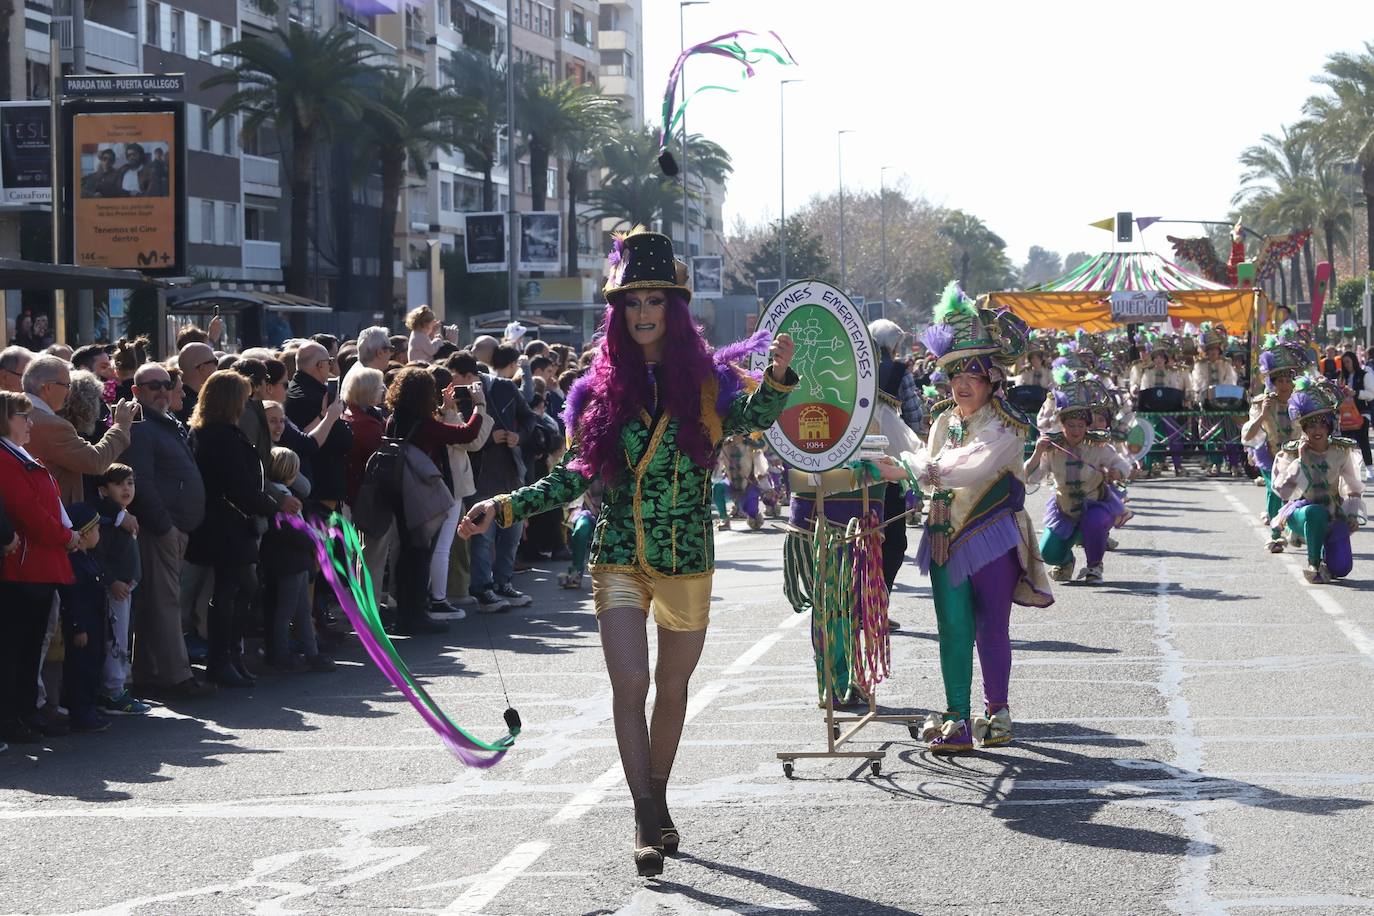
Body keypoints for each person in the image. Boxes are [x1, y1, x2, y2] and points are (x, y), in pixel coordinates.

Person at [459, 228, 798, 877]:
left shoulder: (706, 382)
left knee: (672, 689)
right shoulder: (598, 389)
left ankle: (659, 795)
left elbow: (753, 422)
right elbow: (576, 476)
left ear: (673, 308)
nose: (643, 313)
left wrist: (779, 379)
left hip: (687, 555)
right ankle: (645, 813)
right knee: (631, 684)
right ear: (619, 312)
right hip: (616, 551)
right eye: (632, 302)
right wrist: (501, 507)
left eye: (655, 301)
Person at [894, 283, 1053, 755]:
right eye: (955, 374)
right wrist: (887, 461)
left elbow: (965, 468)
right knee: (952, 630)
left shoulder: (1007, 429)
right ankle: (957, 719)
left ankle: (997, 713)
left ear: (992, 381)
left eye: (973, 375)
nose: (962, 384)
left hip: (992, 537)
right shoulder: (944, 421)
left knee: (990, 629)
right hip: (944, 536)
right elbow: (925, 461)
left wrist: (907, 465)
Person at [122, 363, 214, 699]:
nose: (161, 390)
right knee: (165, 601)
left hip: (173, 527)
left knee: (154, 603)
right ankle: (177, 677)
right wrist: (164, 526)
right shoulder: (143, 427)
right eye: (152, 386)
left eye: (166, 383)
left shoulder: (166, 423)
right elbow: (140, 480)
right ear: (136, 392)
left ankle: (148, 674)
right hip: (160, 529)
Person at [186, 370, 280, 687]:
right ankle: (222, 659)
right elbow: (238, 485)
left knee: (237, 589)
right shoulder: (222, 437)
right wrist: (269, 504)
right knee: (232, 590)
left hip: (226, 522)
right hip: (227, 524)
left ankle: (228, 656)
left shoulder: (208, 432)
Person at [0, 391, 78, 744]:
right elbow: (25, 510)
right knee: (17, 647)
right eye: (22, 416)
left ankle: (26, 713)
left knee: (31, 647)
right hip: (24, 564)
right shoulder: (4, 458)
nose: (29, 423)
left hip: (40, 561)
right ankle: (13, 717)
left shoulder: (18, 454)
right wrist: (65, 535)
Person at [384, 365, 486, 632]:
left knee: (404, 555)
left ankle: (405, 615)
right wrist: (479, 406)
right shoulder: (426, 425)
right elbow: (467, 434)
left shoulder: (394, 419)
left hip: (398, 491)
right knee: (420, 555)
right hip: (421, 494)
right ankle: (416, 616)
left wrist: (444, 408)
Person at [1025, 369, 1133, 584]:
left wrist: (1117, 472)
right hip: (1064, 510)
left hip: (1093, 506)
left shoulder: (1098, 446)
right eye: (1070, 425)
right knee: (1047, 554)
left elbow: (1122, 464)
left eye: (1081, 426)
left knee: (1096, 521)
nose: (1076, 430)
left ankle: (1094, 566)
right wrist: (1037, 452)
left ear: (1087, 426)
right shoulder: (1052, 448)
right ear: (1062, 425)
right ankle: (1065, 561)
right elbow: (1030, 478)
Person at [1272, 378, 1366, 583]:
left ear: (1329, 426)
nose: (1316, 430)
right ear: (1304, 429)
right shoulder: (1292, 453)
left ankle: (1327, 560)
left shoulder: (1341, 452)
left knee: (1341, 568)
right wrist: (1300, 461)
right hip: (1302, 512)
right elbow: (1284, 493)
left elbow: (1353, 486)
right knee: (1315, 513)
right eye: (1310, 425)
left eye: (1321, 424)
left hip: (1333, 511)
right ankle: (1313, 564)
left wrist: (1351, 515)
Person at [467, 345, 537, 611]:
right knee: (483, 538)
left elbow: (529, 419)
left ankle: (503, 582)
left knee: (512, 533)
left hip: (510, 472)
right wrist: (487, 440)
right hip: (481, 476)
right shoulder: (462, 395)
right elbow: (464, 434)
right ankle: (483, 588)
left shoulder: (505, 387)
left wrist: (518, 437)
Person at [21, 355, 134, 506]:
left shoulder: (17, 411)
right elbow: (95, 461)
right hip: (52, 513)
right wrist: (121, 426)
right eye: (67, 386)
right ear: (48, 387)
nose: (69, 392)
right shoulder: (52, 425)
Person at [261, 446, 333, 671]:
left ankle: (311, 652)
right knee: (288, 610)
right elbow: (290, 532)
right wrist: (314, 540)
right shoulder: (282, 500)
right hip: (290, 562)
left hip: (296, 562)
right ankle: (282, 654)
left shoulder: (282, 497)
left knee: (301, 610)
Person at [91, 464, 151, 715]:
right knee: (115, 639)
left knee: (122, 637)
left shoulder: (127, 518)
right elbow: (99, 557)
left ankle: (117, 687)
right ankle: (112, 691)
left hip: (126, 589)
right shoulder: (108, 524)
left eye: (130, 483)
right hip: (113, 590)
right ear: (104, 491)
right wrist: (112, 581)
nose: (126, 488)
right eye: (119, 484)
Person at [1242, 334, 1309, 552]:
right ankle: (1275, 535)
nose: (1284, 385)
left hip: (1296, 455)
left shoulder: (1301, 402)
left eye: (1288, 380)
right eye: (1279, 380)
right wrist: (1263, 415)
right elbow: (1249, 435)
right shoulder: (1262, 402)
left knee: (1299, 491)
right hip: (1270, 454)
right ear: (1272, 382)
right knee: (1275, 489)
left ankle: (1295, 530)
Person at [59, 503, 111, 733]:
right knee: (81, 669)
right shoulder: (75, 564)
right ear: (85, 533)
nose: (100, 533)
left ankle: (90, 706)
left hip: (96, 623)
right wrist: (78, 627)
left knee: (93, 666)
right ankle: (81, 712)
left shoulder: (88, 559)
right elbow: (74, 598)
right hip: (84, 626)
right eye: (97, 529)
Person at [1191, 324, 1243, 477]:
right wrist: (1206, 393)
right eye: (1210, 349)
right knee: (1211, 435)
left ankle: (1233, 464)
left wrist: (1221, 393)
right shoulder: (1200, 365)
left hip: (1225, 402)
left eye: (1215, 349)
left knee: (1230, 433)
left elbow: (1230, 381)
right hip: (1207, 403)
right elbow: (1198, 382)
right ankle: (1215, 464)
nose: (1213, 352)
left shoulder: (1226, 364)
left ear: (1219, 350)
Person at [1337, 351, 1373, 475]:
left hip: (1362, 412)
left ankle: (1369, 468)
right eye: (1344, 362)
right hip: (1346, 414)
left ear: (1353, 360)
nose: (1346, 365)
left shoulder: (1364, 375)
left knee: (1362, 438)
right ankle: (1349, 469)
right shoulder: (1342, 377)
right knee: (1346, 441)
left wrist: (1356, 393)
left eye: (1348, 361)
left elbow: (1371, 394)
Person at [175, 341, 218, 424]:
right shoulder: (197, 409)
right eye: (215, 362)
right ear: (202, 368)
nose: (217, 367)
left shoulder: (178, 403)